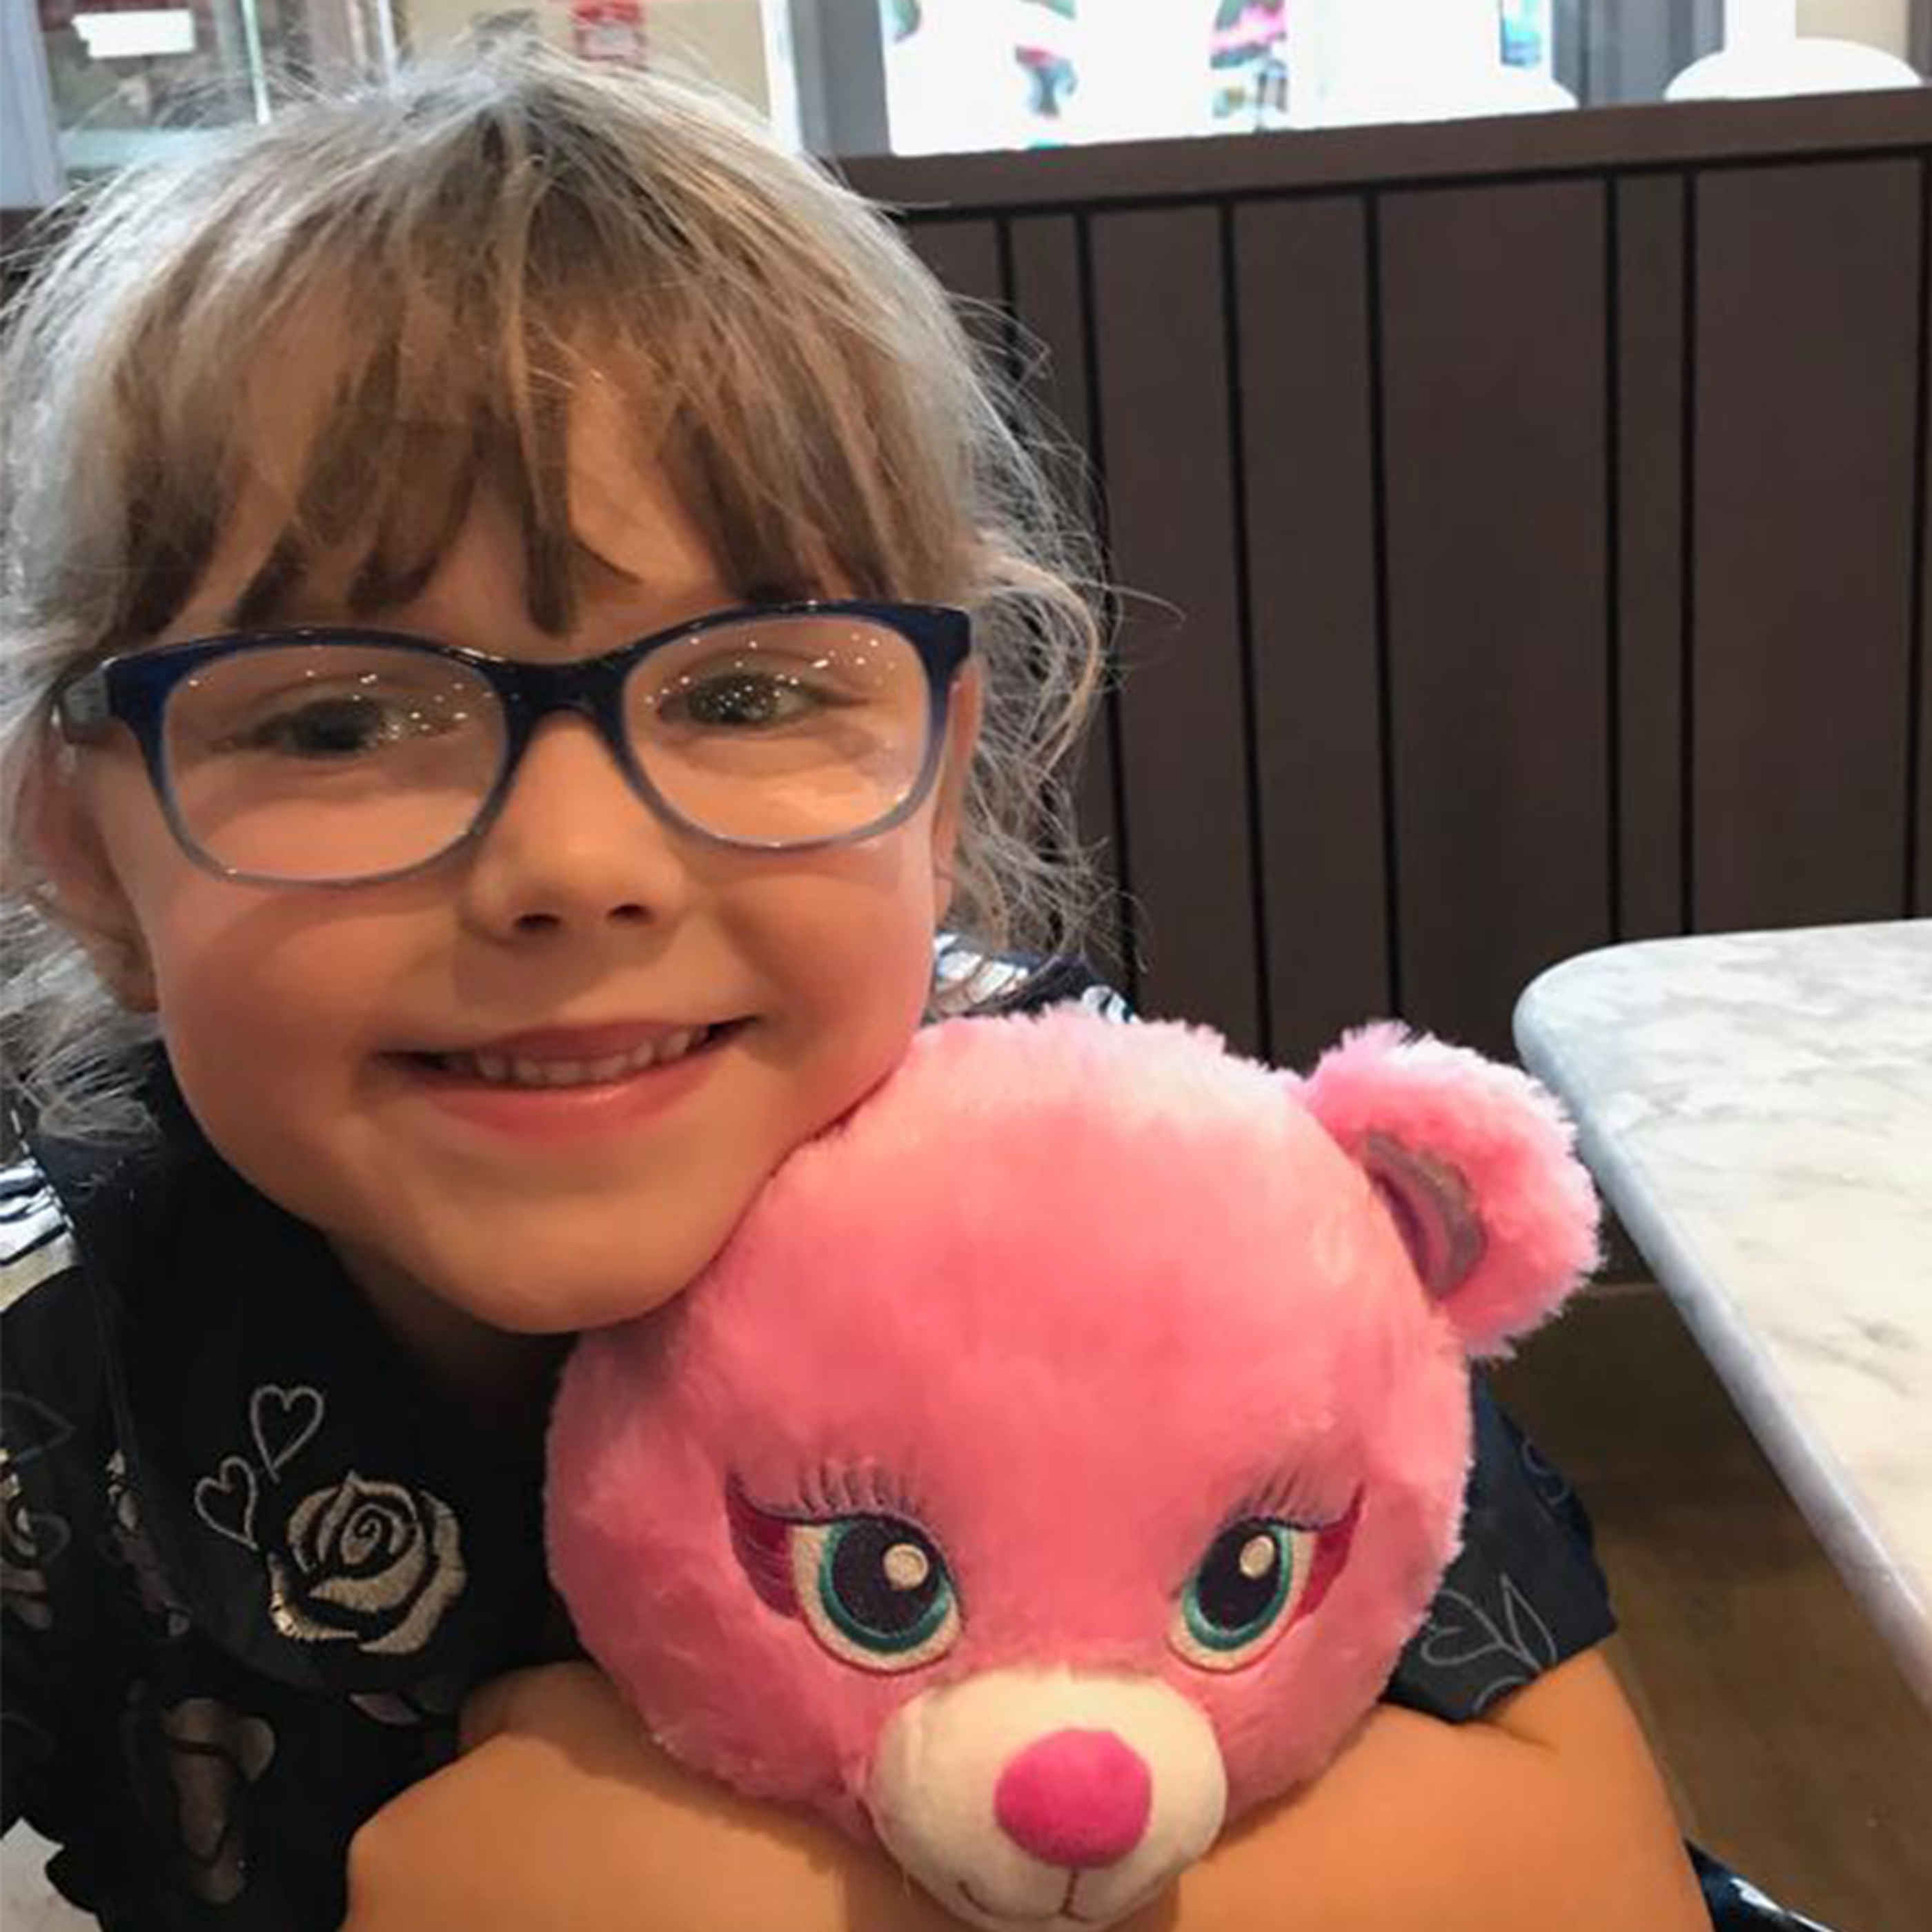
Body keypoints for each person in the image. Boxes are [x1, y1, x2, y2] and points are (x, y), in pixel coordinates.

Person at [0, 38, 1797, 1932]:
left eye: (749, 691)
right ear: (92, 858)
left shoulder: (1123, 1191)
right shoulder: (52, 1362)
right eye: (345, 719)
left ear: (938, 786)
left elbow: (1590, 1872)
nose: (572, 871)